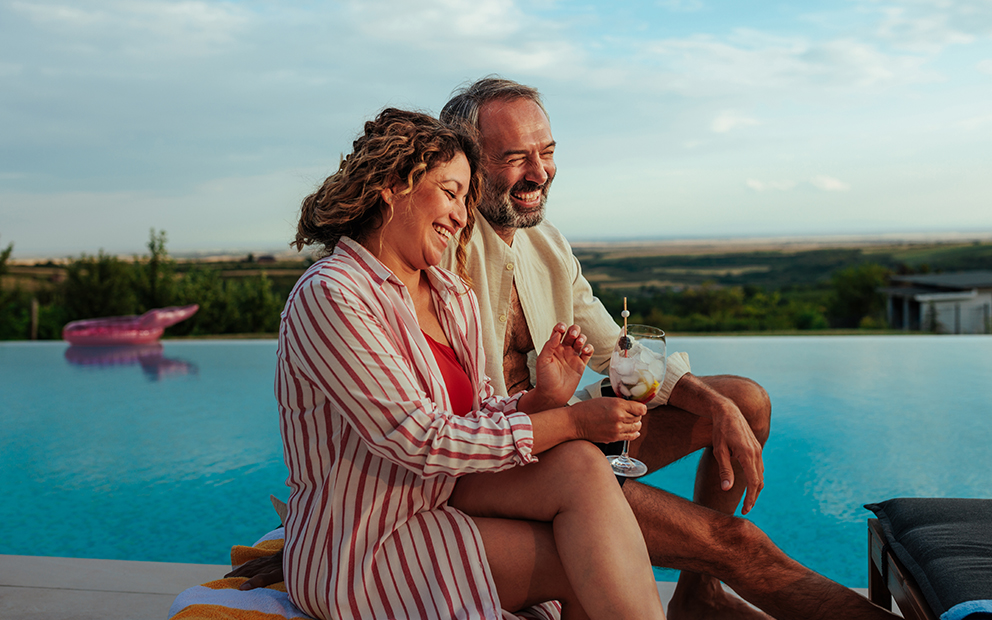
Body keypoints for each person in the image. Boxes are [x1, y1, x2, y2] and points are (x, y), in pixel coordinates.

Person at [235, 84, 902, 620]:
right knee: (735, 541)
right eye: (511, 159)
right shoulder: (416, 262)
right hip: (476, 475)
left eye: (546, 151)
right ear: (448, 164)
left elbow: (618, 352)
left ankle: (694, 597)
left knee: (741, 400)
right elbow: (412, 435)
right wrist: (570, 419)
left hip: (529, 442)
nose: (539, 172)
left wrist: (696, 405)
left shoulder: (534, 246)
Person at [275, 107, 665, 619]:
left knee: (581, 465)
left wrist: (538, 398)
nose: (462, 216)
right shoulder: (332, 294)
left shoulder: (450, 293)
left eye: (466, 199)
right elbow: (419, 438)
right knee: (584, 561)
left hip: (438, 500)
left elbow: (475, 410)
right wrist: (568, 418)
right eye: (451, 193)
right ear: (394, 186)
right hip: (363, 543)